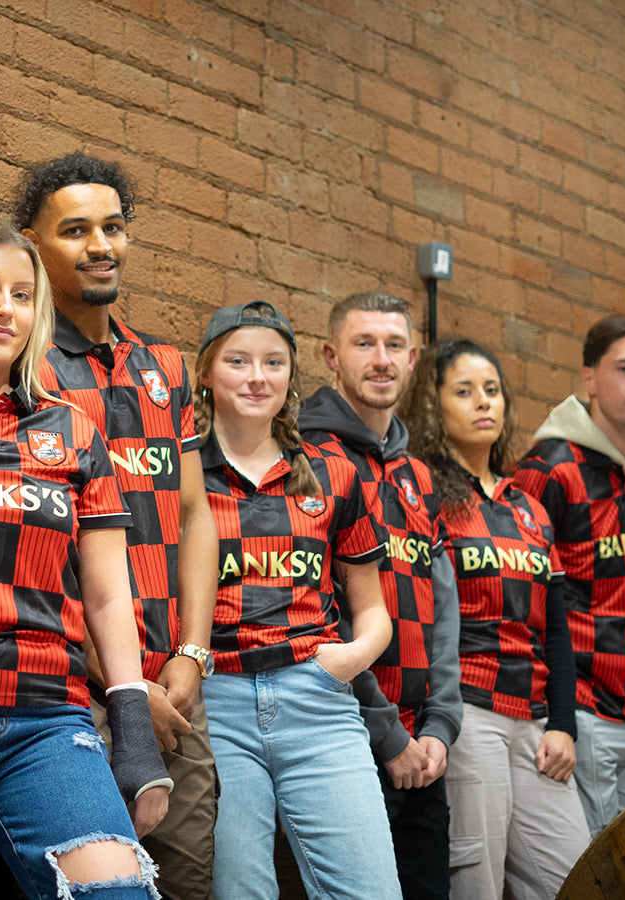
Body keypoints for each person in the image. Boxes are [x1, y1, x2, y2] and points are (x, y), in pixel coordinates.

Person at [0, 223, 171, 899]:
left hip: (47, 716)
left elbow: (108, 594)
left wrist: (133, 729)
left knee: (118, 893)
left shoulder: (71, 429)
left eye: (22, 295)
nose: (4, 310)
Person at [14, 152, 220, 898]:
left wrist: (191, 657)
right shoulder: (23, 366)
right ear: (33, 243)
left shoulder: (164, 366)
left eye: (113, 226)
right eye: (75, 230)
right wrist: (127, 688)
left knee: (188, 882)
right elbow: (24, 550)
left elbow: (195, 515)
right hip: (69, 689)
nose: (100, 244)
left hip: (177, 686)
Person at [194, 301, 400, 900]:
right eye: (238, 361)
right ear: (206, 372)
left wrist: (349, 659)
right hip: (217, 702)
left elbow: (373, 609)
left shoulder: (332, 473)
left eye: (274, 363)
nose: (257, 377)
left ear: (291, 376)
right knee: (241, 891)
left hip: (319, 703)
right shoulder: (183, 474)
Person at [397, 338, 587, 900]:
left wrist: (564, 723)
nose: (484, 402)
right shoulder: (423, 494)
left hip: (536, 723)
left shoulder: (528, 507)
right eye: (464, 391)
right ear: (433, 407)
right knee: (476, 884)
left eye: (492, 390)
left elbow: (556, 630)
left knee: (577, 878)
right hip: (469, 715)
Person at [299, 291, 461, 900]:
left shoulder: (418, 476)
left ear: (413, 358)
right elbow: (316, 607)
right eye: (364, 344)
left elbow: (443, 613)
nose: (381, 359)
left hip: (424, 745)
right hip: (344, 734)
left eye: (394, 345)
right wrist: (388, 735)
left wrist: (440, 726)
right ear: (331, 356)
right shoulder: (308, 459)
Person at [511, 316, 625, 837]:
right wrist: (558, 712)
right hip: (580, 706)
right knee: (601, 865)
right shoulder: (548, 468)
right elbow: (525, 593)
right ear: (589, 379)